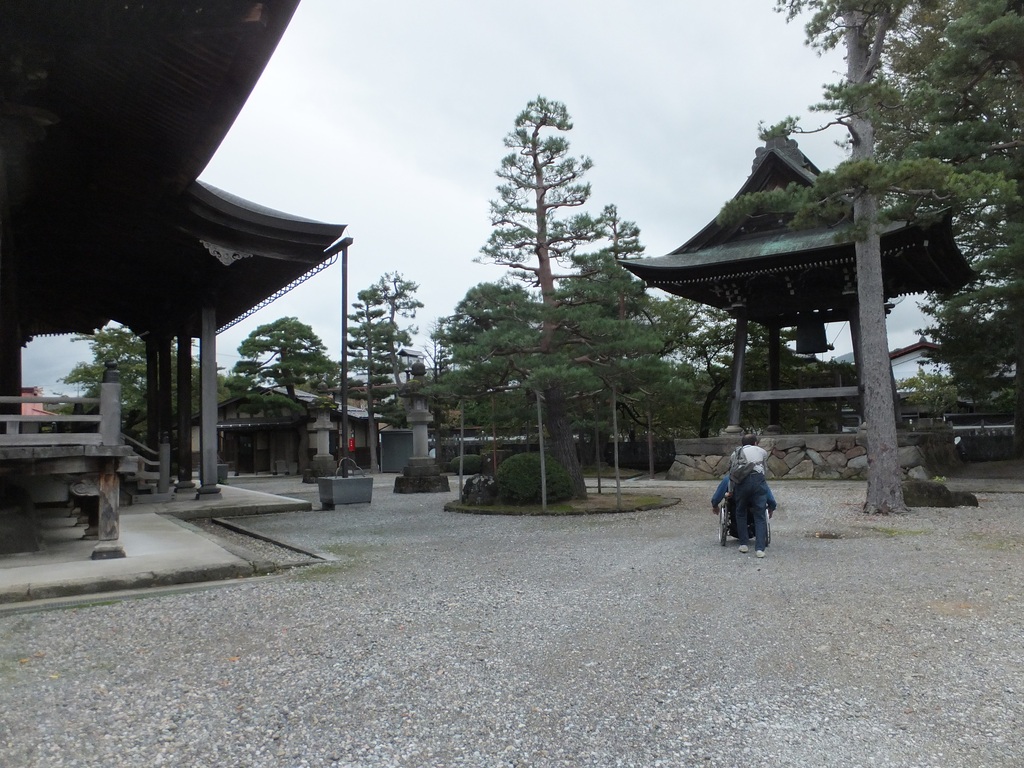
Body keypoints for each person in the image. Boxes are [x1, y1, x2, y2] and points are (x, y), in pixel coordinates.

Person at [728, 433, 770, 558]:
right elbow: (764, 468)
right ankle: (760, 549)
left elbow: (732, 473)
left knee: (740, 511)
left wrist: (730, 490)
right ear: (755, 443)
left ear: (742, 444)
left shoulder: (736, 453)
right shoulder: (762, 451)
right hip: (758, 481)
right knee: (760, 515)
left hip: (742, 483)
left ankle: (744, 544)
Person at [710, 475, 776, 536]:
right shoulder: (758, 478)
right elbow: (770, 498)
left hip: (736, 510)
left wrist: (715, 505)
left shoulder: (729, 478)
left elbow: (717, 497)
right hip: (753, 508)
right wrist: (771, 507)